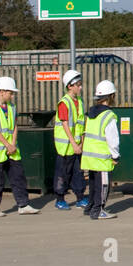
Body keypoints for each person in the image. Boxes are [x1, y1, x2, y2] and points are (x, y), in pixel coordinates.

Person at [0, 76, 38, 216]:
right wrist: (7, 144)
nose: (12, 95)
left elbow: (14, 127)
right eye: (10, 93)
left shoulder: (12, 108)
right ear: (2, 91)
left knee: (18, 177)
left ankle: (23, 205)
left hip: (11, 150)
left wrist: (12, 144)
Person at [81, 80, 121, 219]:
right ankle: (98, 210)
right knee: (103, 185)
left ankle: (90, 207)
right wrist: (115, 156)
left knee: (93, 184)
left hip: (89, 156)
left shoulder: (91, 113)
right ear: (111, 96)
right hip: (101, 157)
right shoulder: (109, 115)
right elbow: (112, 139)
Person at [51, 69, 89, 210]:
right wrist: (74, 144)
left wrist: (82, 142)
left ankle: (80, 197)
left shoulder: (80, 101)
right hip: (66, 146)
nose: (80, 87)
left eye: (80, 84)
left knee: (78, 172)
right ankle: (60, 198)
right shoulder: (64, 103)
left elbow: (82, 123)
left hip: (77, 145)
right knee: (62, 173)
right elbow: (65, 124)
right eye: (77, 84)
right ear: (70, 86)